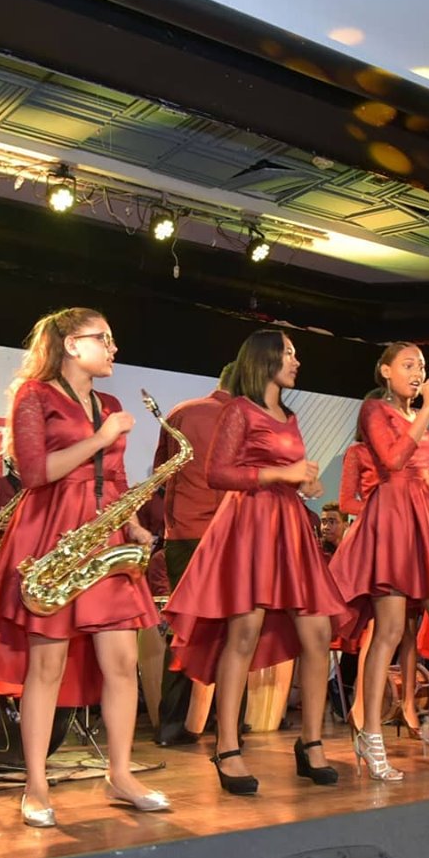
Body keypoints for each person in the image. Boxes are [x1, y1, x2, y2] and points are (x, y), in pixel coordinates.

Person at [0, 308, 167, 827]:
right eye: (104, 338)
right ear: (73, 344)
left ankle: (120, 773)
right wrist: (100, 439)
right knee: (46, 666)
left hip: (107, 536)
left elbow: (116, 479)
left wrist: (137, 526)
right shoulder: (34, 394)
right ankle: (35, 784)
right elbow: (34, 473)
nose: (114, 347)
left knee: (122, 662)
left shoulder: (112, 403)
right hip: (53, 532)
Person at [163, 329, 347, 795]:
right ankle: (227, 747)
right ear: (264, 359)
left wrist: (303, 483)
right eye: (288, 352)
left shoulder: (289, 414)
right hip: (251, 524)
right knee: (243, 633)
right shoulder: (238, 411)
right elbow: (218, 474)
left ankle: (311, 742)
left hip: (288, 525)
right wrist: (280, 473)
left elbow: (289, 469)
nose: (296, 360)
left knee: (318, 632)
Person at [330, 342, 429, 780]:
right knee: (388, 631)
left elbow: (418, 464)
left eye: (422, 365)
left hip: (423, 517)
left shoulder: (415, 413)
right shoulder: (375, 410)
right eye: (408, 364)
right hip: (392, 517)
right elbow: (392, 459)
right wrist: (428, 408)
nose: (418, 371)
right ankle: (370, 733)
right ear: (385, 371)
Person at [153, 364, 234, 746]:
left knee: (185, 627)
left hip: (185, 532)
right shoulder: (249, 418)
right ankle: (229, 724)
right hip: (233, 534)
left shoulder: (181, 411)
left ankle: (172, 725)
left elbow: (161, 472)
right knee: (237, 628)